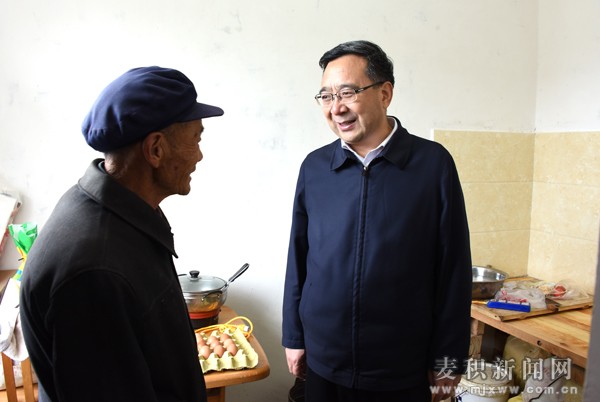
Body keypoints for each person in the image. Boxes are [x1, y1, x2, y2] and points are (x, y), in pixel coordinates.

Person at [282, 40, 472, 402]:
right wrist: (294, 337)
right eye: (326, 96)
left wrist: (448, 362)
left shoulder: (433, 165)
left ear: (385, 93)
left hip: (401, 368)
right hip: (324, 360)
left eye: (348, 93)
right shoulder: (315, 167)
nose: (336, 108)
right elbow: (298, 256)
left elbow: (454, 270)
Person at [20, 66, 223, 402]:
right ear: (156, 149)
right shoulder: (95, 271)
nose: (199, 156)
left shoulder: (119, 211)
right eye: (196, 139)